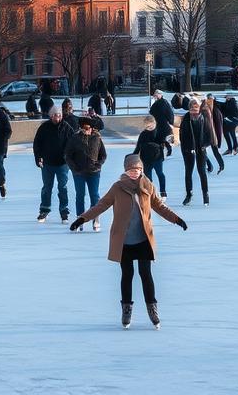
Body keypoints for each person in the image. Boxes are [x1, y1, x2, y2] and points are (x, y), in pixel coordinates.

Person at [69, 154, 185, 330]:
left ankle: (153, 310)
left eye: (137, 169)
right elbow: (101, 205)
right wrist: (82, 219)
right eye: (131, 170)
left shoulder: (148, 186)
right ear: (126, 170)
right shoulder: (117, 188)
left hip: (143, 238)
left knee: (146, 275)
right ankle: (126, 310)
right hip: (124, 240)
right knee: (127, 275)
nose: (134, 172)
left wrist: (176, 219)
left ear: (141, 170)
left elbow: (160, 207)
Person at [33, 106, 75, 224]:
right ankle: (44, 210)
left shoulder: (66, 127)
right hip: (47, 163)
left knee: (63, 187)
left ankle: (64, 211)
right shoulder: (44, 128)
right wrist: (38, 158)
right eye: (56, 115)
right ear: (51, 116)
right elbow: (37, 144)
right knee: (47, 187)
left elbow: (73, 144)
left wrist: (70, 158)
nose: (58, 118)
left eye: (60, 115)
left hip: (62, 164)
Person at [65, 115, 107, 229]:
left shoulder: (97, 138)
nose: (86, 129)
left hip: (94, 172)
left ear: (92, 128)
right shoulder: (75, 138)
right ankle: (80, 219)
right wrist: (74, 168)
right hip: (79, 172)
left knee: (94, 195)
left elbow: (103, 155)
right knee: (80, 195)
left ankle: (95, 218)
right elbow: (68, 156)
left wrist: (98, 164)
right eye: (83, 127)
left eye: (88, 127)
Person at [176, 98, 214, 206]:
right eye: (192, 108)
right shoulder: (186, 119)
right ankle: (189, 194)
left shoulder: (203, 118)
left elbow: (208, 133)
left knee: (202, 171)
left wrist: (204, 145)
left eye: (196, 108)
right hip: (188, 149)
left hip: (200, 148)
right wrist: (187, 148)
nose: (194, 110)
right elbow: (182, 135)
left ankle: (205, 195)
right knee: (188, 172)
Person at [133, 115, 170, 194]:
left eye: (150, 125)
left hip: (157, 158)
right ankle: (150, 193)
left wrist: (168, 147)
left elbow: (164, 142)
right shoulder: (143, 134)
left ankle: (163, 191)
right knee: (147, 177)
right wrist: (133, 156)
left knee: (160, 173)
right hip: (146, 159)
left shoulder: (159, 133)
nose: (148, 127)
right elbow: (138, 147)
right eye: (146, 126)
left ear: (154, 123)